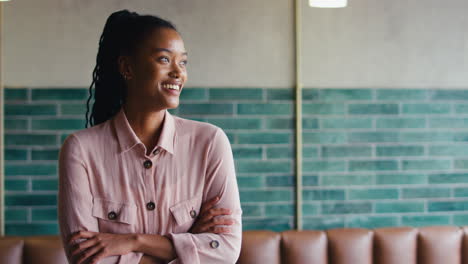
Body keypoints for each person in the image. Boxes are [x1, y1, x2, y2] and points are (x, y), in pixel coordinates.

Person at [58, 10, 242, 264]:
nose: (178, 73)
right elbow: (85, 257)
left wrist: (134, 241)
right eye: (164, 60)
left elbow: (226, 251)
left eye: (183, 62)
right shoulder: (80, 149)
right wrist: (189, 244)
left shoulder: (210, 143)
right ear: (127, 67)